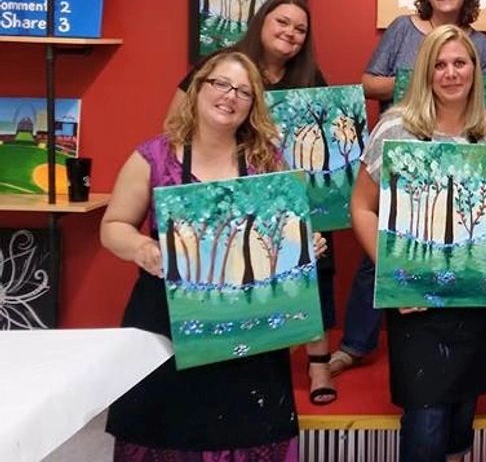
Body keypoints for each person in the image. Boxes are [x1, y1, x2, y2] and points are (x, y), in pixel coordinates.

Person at [101, 51, 326, 460]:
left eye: (243, 91)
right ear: (198, 88)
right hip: (165, 333)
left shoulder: (268, 164)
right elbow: (113, 227)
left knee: (247, 439)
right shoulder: (153, 157)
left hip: (250, 342)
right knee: (163, 437)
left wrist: (305, 245)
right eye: (220, 84)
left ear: (253, 104)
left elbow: (283, 242)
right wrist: (143, 248)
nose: (230, 96)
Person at [350, 24, 486, 462]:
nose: (451, 73)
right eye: (440, 65)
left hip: (477, 298)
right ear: (426, 73)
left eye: (460, 63)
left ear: (474, 70)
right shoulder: (396, 128)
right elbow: (361, 207)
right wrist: (393, 277)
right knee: (426, 423)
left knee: (463, 416)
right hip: (418, 299)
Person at [335, 0, 486, 375]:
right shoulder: (402, 29)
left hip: (463, 155)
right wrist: (420, 81)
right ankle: (357, 341)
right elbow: (369, 82)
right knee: (383, 251)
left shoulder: (479, 44)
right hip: (406, 148)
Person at [168, 0, 339, 406]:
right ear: (261, 22)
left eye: (300, 29)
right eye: (282, 22)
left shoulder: (311, 79)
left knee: (316, 262)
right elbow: (175, 124)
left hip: (290, 193)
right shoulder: (222, 68)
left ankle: (318, 363)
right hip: (226, 188)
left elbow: (329, 142)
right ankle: (231, 344)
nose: (290, 33)